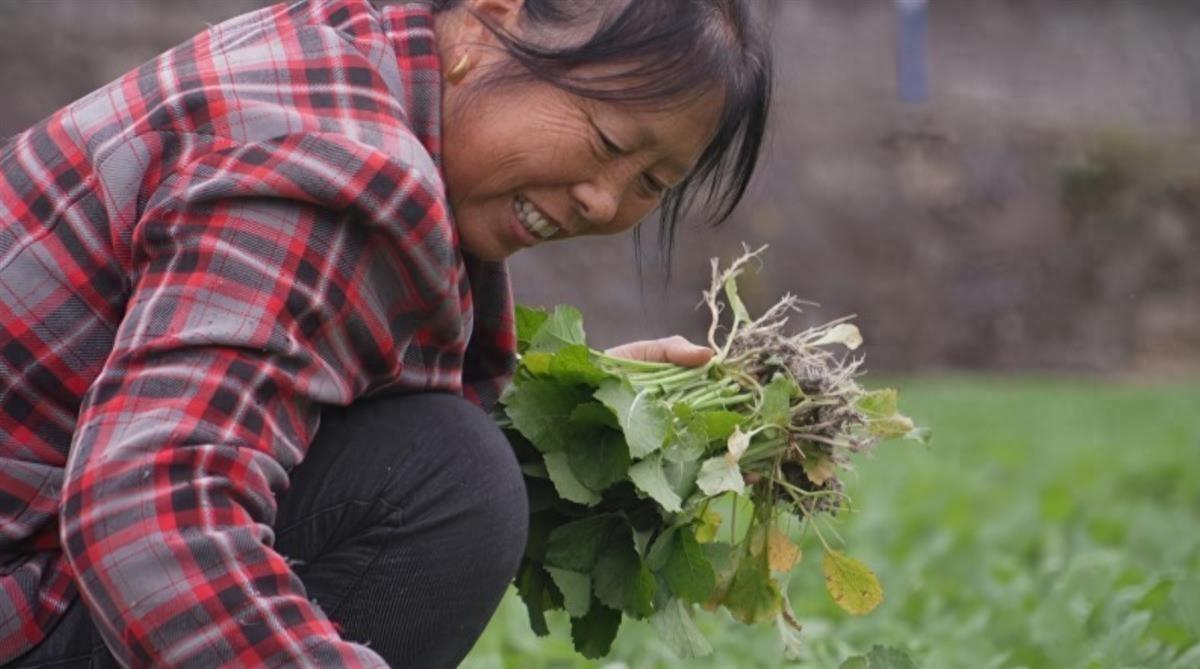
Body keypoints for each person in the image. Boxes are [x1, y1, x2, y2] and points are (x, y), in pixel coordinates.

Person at [0, 0, 771, 666]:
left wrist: (563, 421)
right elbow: (147, 512)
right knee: (450, 480)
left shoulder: (353, 49)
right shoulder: (341, 165)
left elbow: (272, 379)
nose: (604, 202)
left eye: (649, 185)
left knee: (457, 457)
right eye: (606, 141)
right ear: (492, 19)